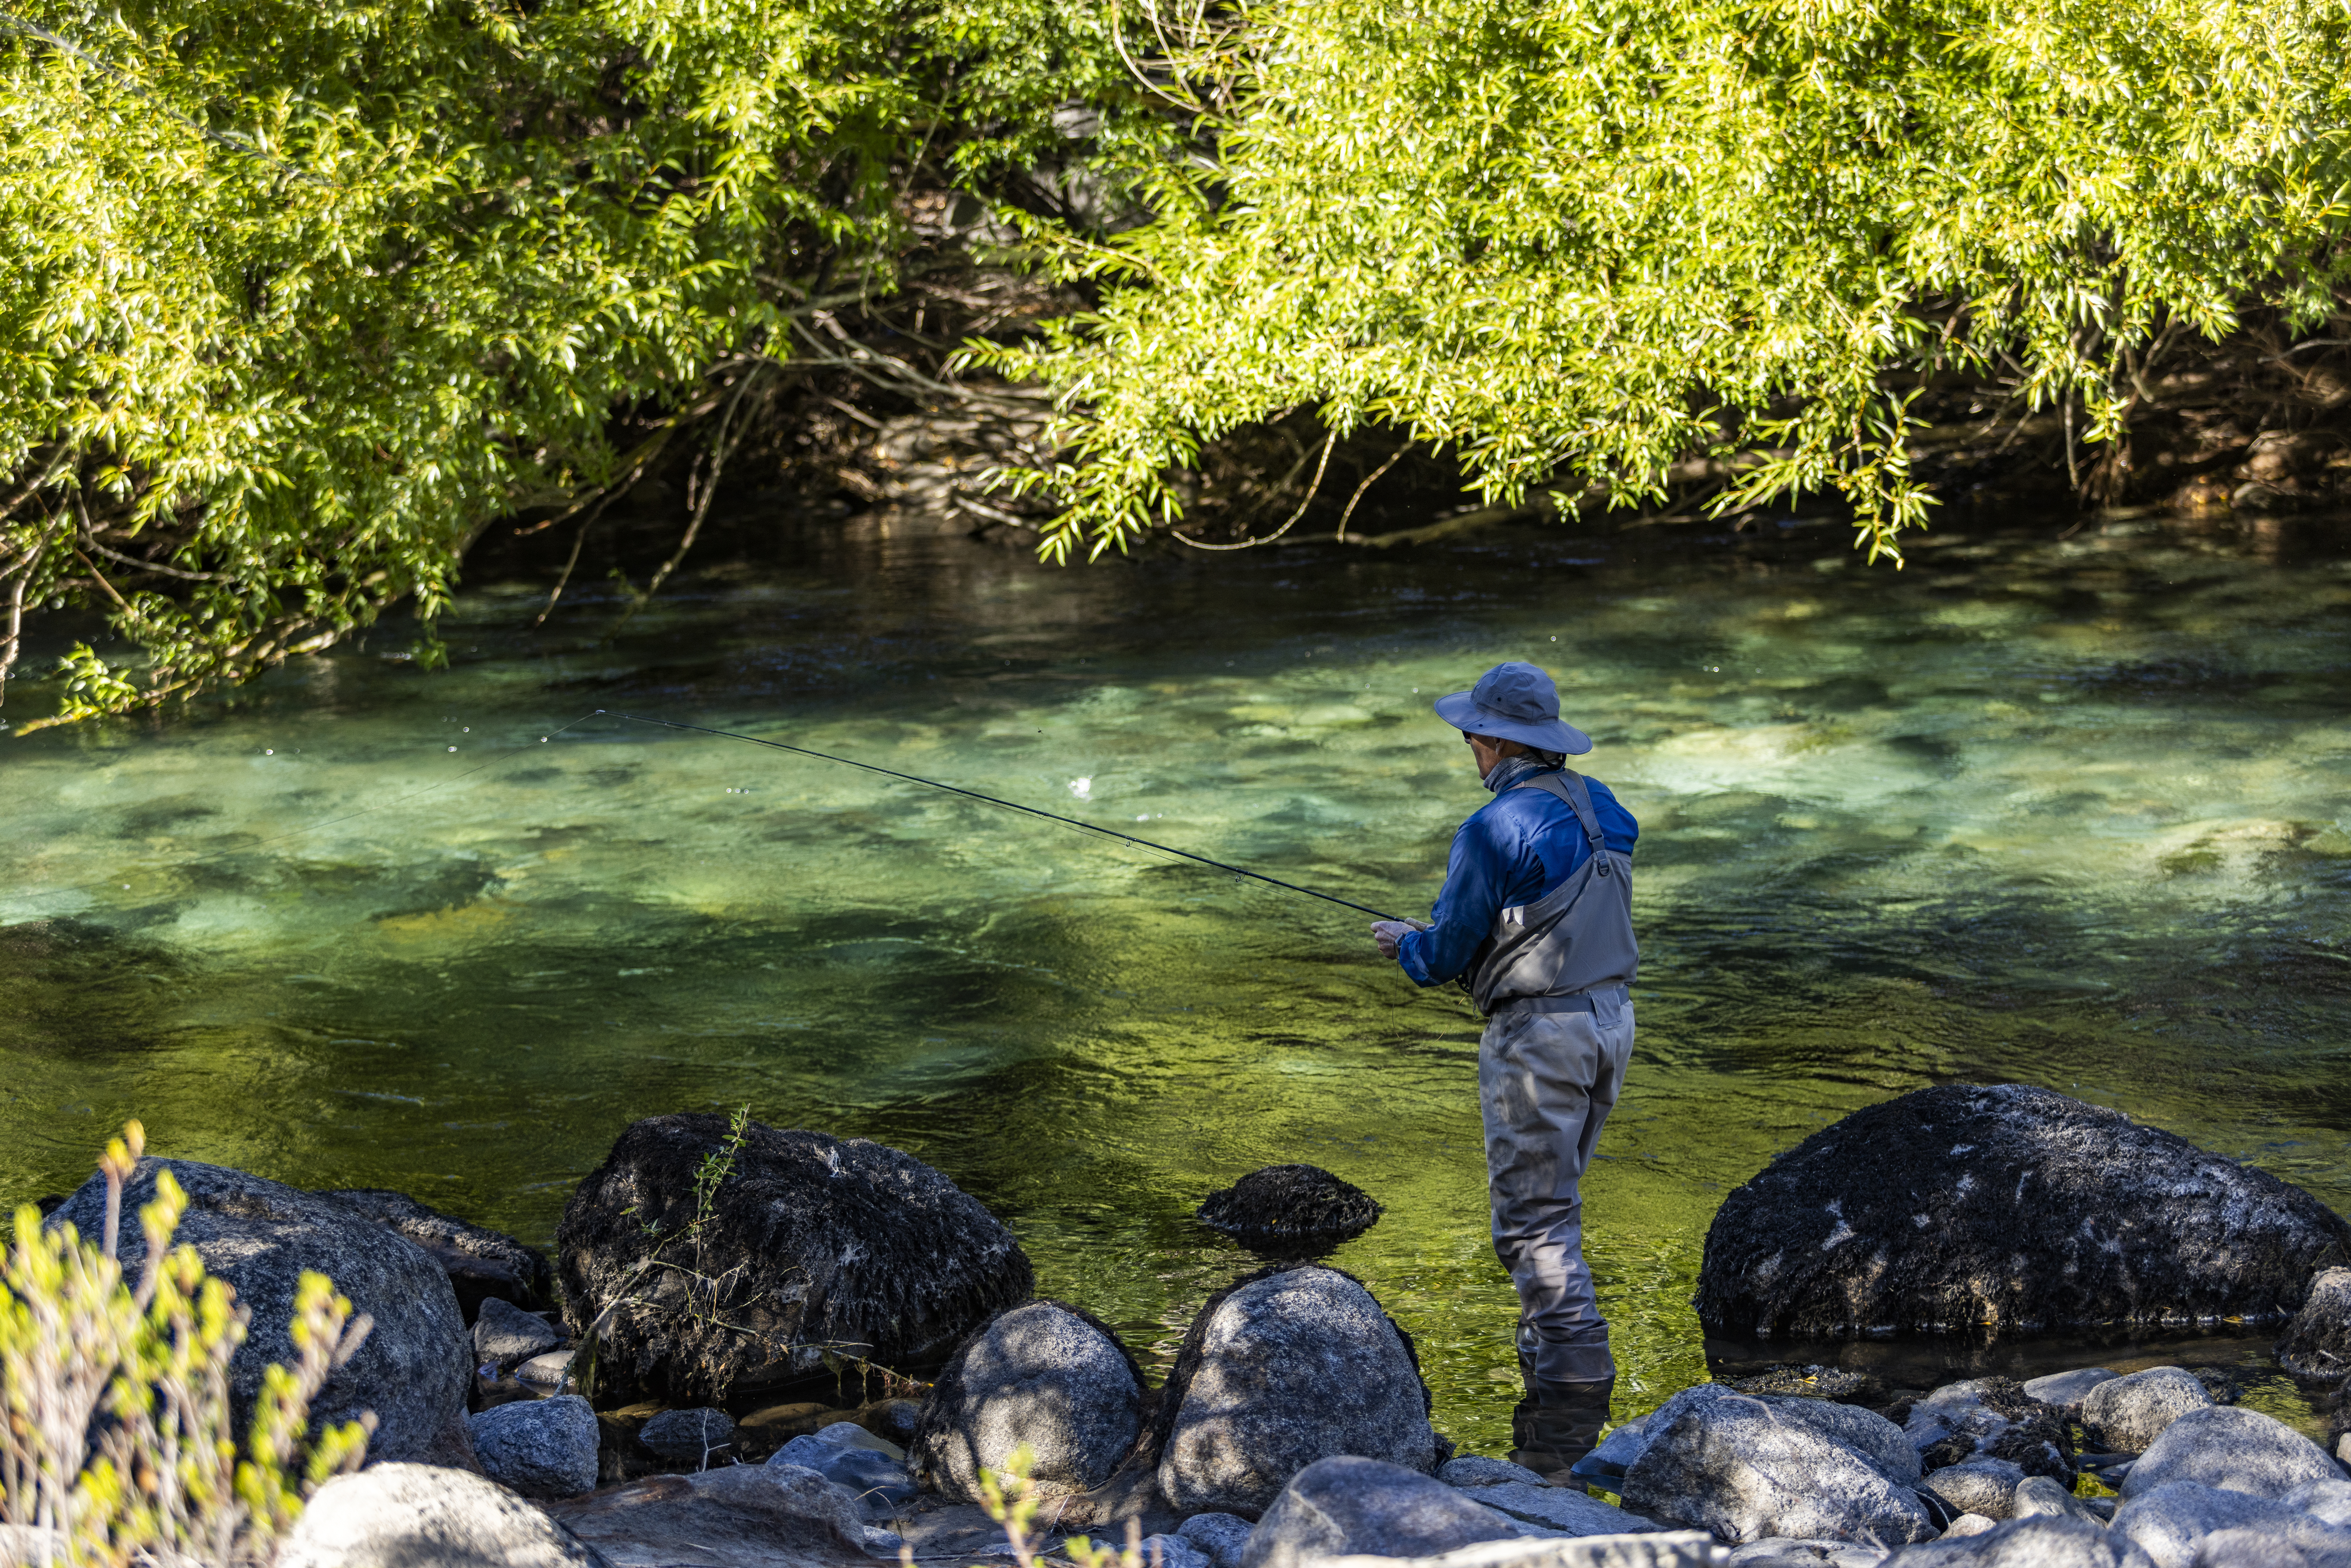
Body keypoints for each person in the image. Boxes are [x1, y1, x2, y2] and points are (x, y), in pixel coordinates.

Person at [1370, 660, 1639, 1480]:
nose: (1467, 748)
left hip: (1540, 1039)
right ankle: (1555, 1374)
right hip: (1610, 1022)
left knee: (1533, 1225)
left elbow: (1446, 954)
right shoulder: (1609, 811)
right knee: (1558, 1209)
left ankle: (1568, 1408)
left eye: (1469, 737)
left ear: (1492, 741)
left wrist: (1405, 943)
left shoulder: (1492, 828)